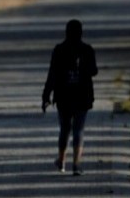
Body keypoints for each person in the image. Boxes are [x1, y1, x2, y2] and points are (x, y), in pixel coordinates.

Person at [41, 19, 98, 175]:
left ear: (66, 32)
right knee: (79, 129)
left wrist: (46, 95)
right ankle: (76, 164)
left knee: (65, 129)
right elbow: (94, 71)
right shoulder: (87, 50)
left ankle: (61, 160)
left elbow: (52, 74)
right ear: (81, 33)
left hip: (63, 96)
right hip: (83, 96)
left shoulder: (59, 50)